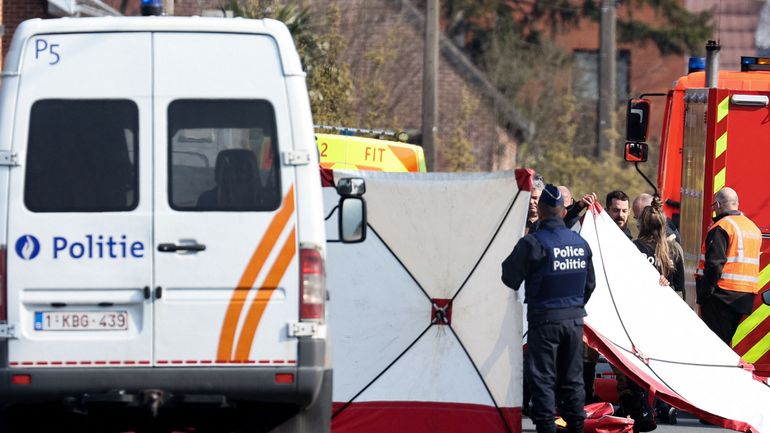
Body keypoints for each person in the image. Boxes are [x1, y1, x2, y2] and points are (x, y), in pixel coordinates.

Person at [502, 184, 596, 433]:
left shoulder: (533, 243)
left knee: (543, 379)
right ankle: (576, 426)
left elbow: (509, 277)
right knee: (572, 379)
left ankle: (546, 428)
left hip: (544, 320)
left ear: (540, 212)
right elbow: (590, 285)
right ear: (563, 213)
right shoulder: (580, 243)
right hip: (574, 320)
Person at [696, 187, 761, 344]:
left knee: (714, 345)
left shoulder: (722, 227)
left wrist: (704, 294)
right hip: (744, 297)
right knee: (724, 342)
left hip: (721, 295)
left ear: (717, 205)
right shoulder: (752, 227)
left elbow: (714, 265)